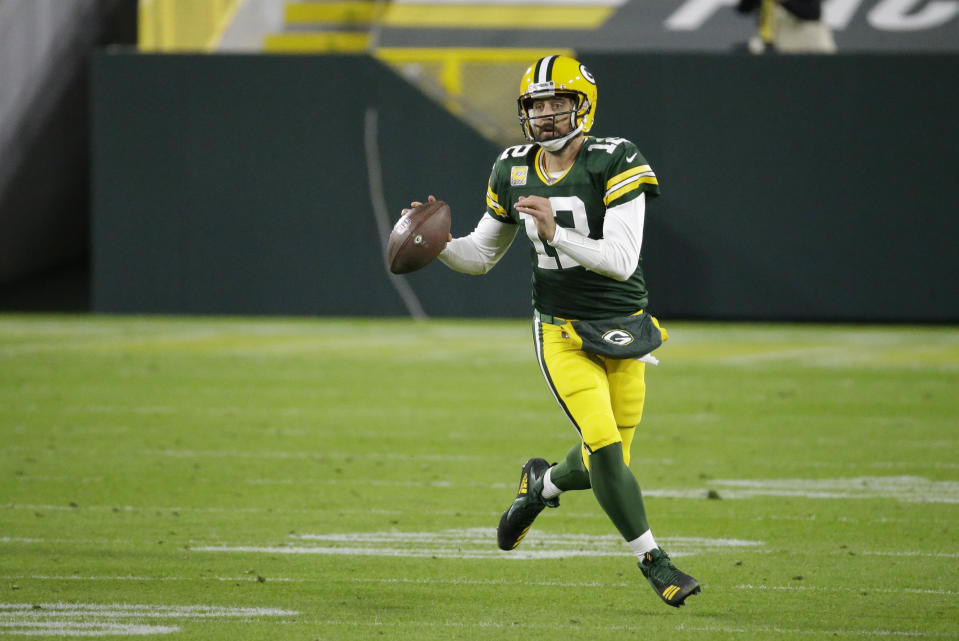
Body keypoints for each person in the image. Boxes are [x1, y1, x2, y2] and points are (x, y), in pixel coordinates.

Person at [407, 55, 700, 608]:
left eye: (556, 101)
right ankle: (655, 562)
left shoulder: (615, 159)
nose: (545, 115)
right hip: (561, 331)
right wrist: (436, 245)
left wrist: (554, 230)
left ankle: (539, 487)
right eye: (535, 104)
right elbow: (482, 254)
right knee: (608, 454)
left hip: (625, 326)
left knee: (600, 465)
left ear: (581, 105)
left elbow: (619, 258)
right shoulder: (513, 167)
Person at [736, 0, 837, 54]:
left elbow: (813, 13)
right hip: (783, 48)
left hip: (811, 48)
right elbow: (743, 9)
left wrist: (784, 2)